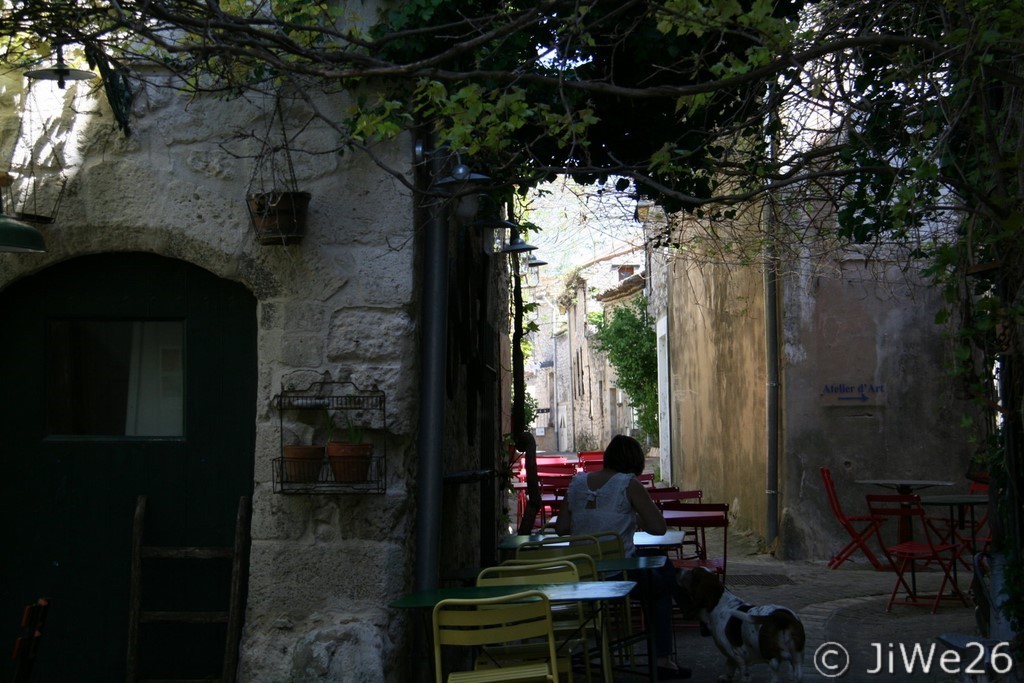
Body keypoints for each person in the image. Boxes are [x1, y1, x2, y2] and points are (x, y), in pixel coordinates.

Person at [554, 434, 692, 680]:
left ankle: (682, 606)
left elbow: (562, 527)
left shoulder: (577, 483)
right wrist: (634, 517)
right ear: (634, 461)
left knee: (660, 562)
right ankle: (663, 656)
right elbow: (659, 528)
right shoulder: (627, 484)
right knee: (658, 586)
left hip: (580, 572)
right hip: (615, 572)